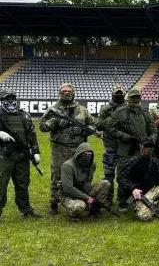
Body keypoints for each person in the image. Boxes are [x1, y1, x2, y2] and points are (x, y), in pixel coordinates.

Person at [39, 83, 96, 215]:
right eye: (64, 91)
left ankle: (79, 198)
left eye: (69, 91)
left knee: (80, 174)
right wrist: (55, 122)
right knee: (57, 174)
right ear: (59, 93)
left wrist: (83, 131)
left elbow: (93, 125)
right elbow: (42, 127)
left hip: (78, 149)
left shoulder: (82, 110)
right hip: (60, 148)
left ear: (73, 92)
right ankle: (54, 201)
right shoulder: (53, 109)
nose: (66, 93)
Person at [107, 88, 157, 208]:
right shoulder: (120, 112)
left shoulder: (145, 112)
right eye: (133, 97)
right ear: (128, 98)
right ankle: (122, 201)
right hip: (126, 149)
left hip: (142, 150)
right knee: (123, 173)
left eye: (137, 97)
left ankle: (139, 198)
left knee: (141, 173)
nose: (135, 99)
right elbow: (110, 128)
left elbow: (153, 129)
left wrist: (150, 140)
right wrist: (125, 136)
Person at [0, 90, 42, 219]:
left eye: (13, 98)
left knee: (22, 184)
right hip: (3, 156)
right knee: (1, 185)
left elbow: (32, 135)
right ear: (2, 101)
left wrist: (35, 152)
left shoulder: (24, 115)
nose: (11, 101)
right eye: (7, 99)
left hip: (22, 156)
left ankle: (26, 210)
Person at [117, 140, 159, 221]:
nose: (148, 150)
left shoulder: (155, 162)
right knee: (145, 216)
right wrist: (133, 189)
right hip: (138, 196)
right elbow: (121, 178)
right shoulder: (132, 162)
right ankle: (149, 208)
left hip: (152, 191)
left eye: (150, 148)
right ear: (141, 148)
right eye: (146, 147)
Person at [59, 142, 112, 220]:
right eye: (85, 154)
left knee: (105, 183)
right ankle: (73, 215)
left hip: (85, 192)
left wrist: (92, 198)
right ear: (79, 154)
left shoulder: (91, 165)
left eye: (89, 155)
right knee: (79, 207)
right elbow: (68, 188)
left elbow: (88, 182)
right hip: (69, 196)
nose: (87, 157)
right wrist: (87, 198)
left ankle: (94, 209)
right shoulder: (67, 166)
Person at [95, 83, 126, 184]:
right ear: (113, 94)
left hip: (125, 144)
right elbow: (98, 125)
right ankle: (107, 196)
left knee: (124, 173)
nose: (119, 95)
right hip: (110, 145)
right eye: (117, 93)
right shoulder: (105, 108)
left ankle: (123, 197)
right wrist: (112, 118)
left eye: (121, 93)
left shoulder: (128, 107)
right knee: (108, 174)